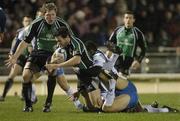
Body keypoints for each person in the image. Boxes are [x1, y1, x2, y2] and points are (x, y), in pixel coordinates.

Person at [5, 3, 74, 112]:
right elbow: (25, 41)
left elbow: (71, 40)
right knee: (25, 75)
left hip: (53, 54)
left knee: (53, 72)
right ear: (43, 14)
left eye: (52, 15)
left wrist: (68, 54)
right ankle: (28, 105)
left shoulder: (62, 24)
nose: (50, 18)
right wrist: (14, 56)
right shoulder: (36, 23)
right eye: (47, 15)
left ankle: (48, 103)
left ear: (56, 14)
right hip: (37, 53)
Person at [0, 16, 37, 103]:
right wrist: (12, 53)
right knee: (12, 75)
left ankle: (27, 95)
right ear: (23, 22)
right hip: (21, 57)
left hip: (31, 58)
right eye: (26, 21)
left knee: (29, 78)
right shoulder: (20, 31)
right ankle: (3, 95)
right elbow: (14, 42)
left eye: (29, 21)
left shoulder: (35, 31)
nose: (27, 22)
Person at [108, 10, 147, 76]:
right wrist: (110, 50)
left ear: (133, 20)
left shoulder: (138, 33)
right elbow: (109, 43)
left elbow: (144, 49)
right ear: (123, 19)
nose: (128, 20)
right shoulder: (118, 30)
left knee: (120, 80)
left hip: (128, 64)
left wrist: (138, 60)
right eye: (126, 18)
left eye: (130, 18)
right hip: (116, 61)